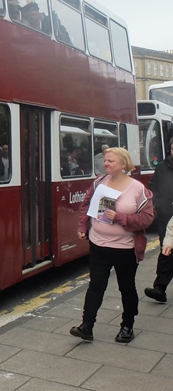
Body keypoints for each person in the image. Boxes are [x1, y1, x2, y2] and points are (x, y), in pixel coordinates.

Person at [70, 147, 154, 344]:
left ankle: (127, 326)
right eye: (105, 160)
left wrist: (120, 217)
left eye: (111, 161)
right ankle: (87, 326)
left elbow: (147, 218)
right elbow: (87, 205)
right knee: (96, 285)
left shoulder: (137, 189)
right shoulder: (99, 182)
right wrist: (83, 225)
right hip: (98, 244)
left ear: (123, 164)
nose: (106, 164)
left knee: (126, 287)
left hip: (125, 248)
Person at [144, 138, 173, 303]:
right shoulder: (162, 167)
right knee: (166, 250)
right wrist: (158, 204)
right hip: (166, 216)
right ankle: (159, 288)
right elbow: (153, 186)